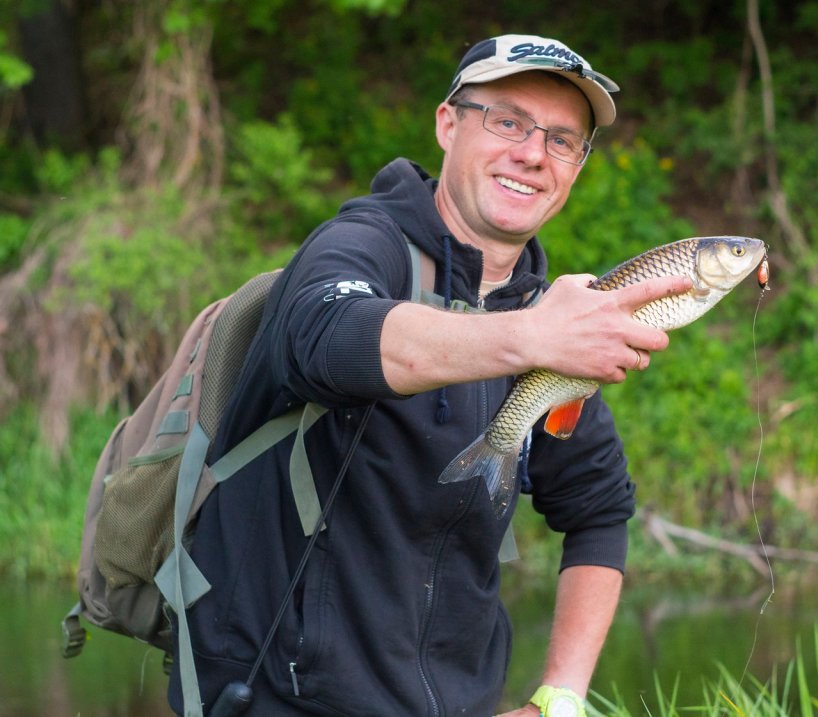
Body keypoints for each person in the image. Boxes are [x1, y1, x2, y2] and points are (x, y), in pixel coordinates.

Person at [168, 33, 692, 717]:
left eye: (563, 140)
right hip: (276, 698)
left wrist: (560, 697)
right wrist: (531, 337)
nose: (533, 154)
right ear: (448, 124)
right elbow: (326, 338)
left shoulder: (548, 313)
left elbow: (599, 511)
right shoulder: (360, 245)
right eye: (508, 121)